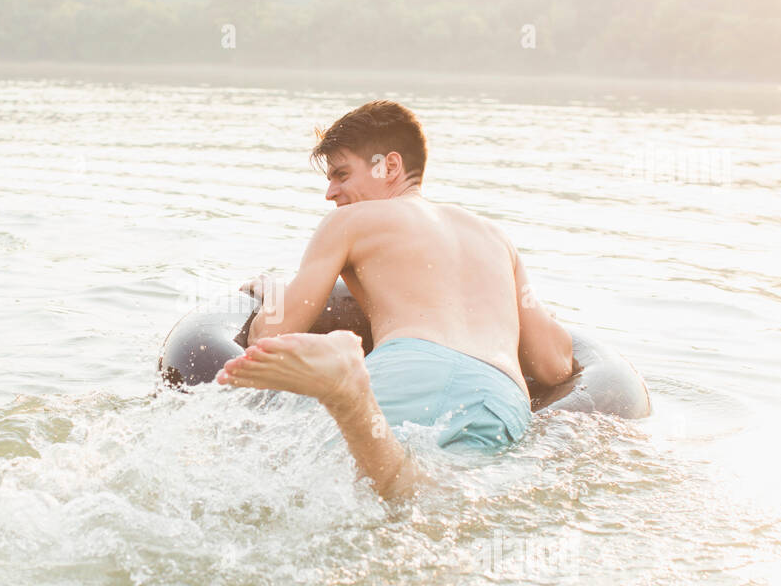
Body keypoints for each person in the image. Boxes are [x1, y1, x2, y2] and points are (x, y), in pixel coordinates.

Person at [216, 100, 575, 501]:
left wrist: (275, 295)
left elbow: (272, 335)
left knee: (307, 488)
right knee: (435, 507)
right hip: (497, 393)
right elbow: (554, 366)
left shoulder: (349, 222)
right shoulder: (495, 237)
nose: (329, 192)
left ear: (388, 166)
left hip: (409, 365)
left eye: (341, 174)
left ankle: (350, 391)